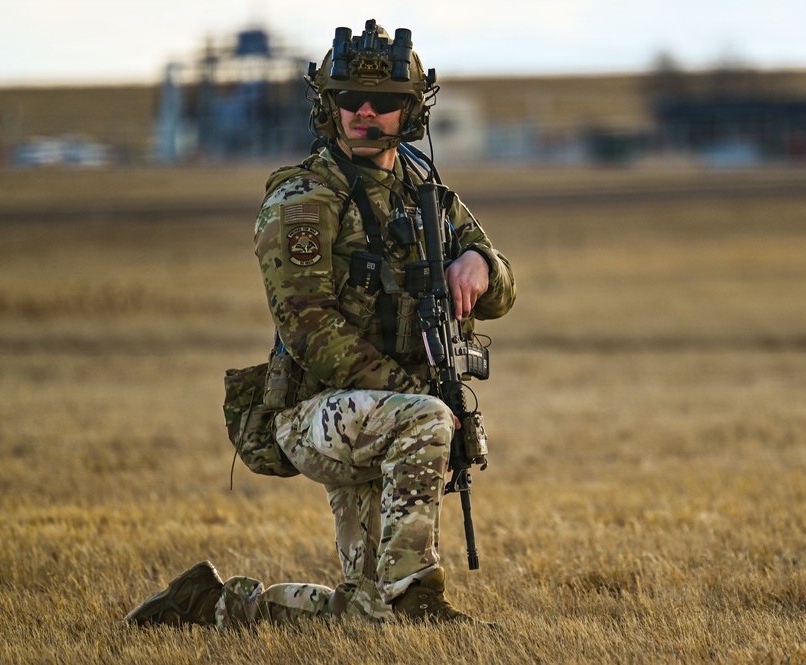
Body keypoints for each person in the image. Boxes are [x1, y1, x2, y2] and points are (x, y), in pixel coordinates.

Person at [125, 18, 516, 629]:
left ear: (411, 112)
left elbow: (502, 291)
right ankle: (424, 602)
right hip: (318, 411)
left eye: (384, 102)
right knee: (431, 420)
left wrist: (479, 264)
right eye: (347, 101)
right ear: (326, 107)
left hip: (385, 412)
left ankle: (214, 604)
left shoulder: (424, 186)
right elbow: (309, 329)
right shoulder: (305, 198)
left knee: (366, 613)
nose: (365, 113)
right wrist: (417, 396)